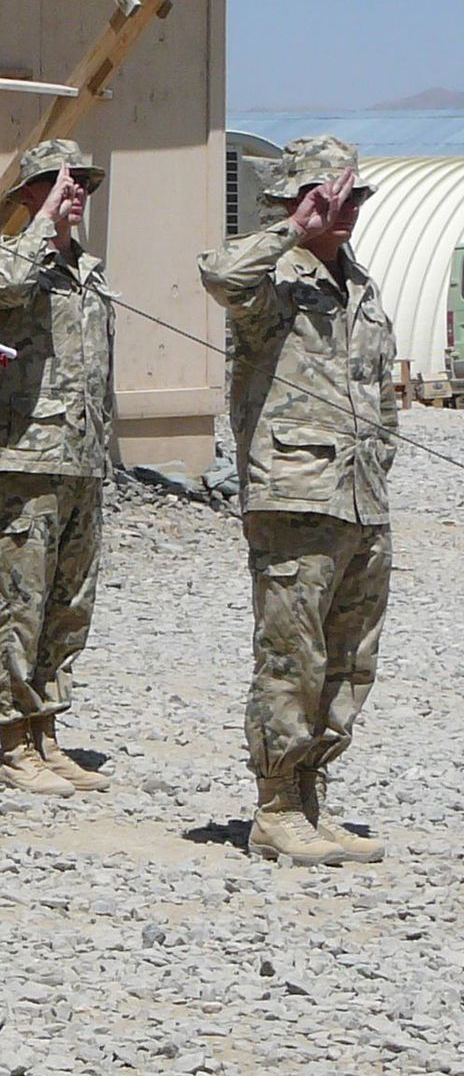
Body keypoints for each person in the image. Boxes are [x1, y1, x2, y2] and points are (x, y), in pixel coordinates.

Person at [198, 137, 395, 865]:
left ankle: (312, 796)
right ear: (290, 199)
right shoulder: (271, 276)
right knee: (292, 655)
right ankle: (274, 805)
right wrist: (295, 229)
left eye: (351, 199)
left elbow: (378, 398)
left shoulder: (361, 286)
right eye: (325, 196)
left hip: (361, 498)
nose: (342, 212)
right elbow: (216, 272)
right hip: (294, 495)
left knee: (348, 659)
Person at [0, 139, 117, 797]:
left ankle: (45, 726)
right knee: (22, 603)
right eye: (61, 183)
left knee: (70, 604)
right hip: (29, 456)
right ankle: (11, 741)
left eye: (83, 182)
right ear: (31, 193)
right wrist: (39, 226)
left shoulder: (89, 272)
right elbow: (0, 287)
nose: (77, 192)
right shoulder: (14, 260)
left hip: (82, 460)